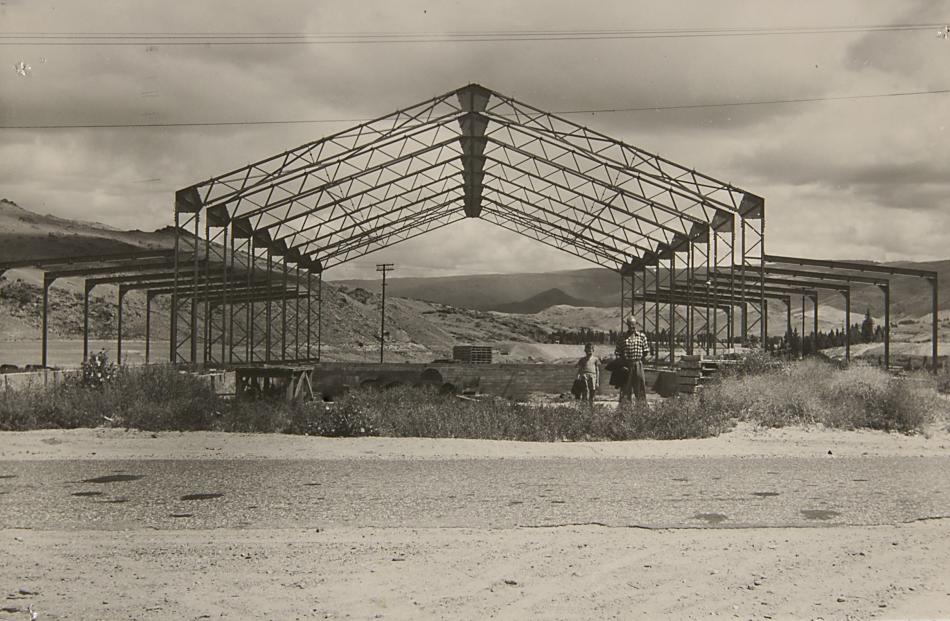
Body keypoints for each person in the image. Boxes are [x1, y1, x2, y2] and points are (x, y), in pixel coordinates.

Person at [614, 316, 650, 403]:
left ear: (636, 324)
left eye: (633, 325)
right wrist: (622, 365)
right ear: (627, 325)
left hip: (638, 364)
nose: (632, 327)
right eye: (630, 326)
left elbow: (645, 352)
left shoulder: (642, 337)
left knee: (640, 388)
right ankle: (625, 410)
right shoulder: (622, 337)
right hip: (626, 365)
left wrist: (639, 363)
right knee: (625, 388)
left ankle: (641, 410)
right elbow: (618, 353)